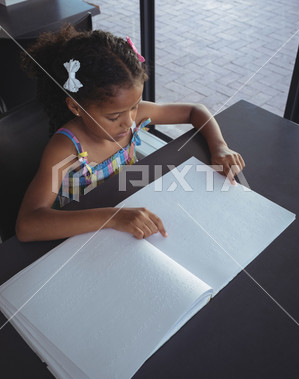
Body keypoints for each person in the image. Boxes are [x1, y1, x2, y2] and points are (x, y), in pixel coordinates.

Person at [16, 25, 245, 242]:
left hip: (129, 209)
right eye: (114, 117)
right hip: (85, 234)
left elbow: (196, 111)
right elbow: (27, 225)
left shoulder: (130, 116)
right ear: (76, 107)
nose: (129, 122)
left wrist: (219, 147)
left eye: (134, 106)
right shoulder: (65, 149)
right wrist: (114, 217)